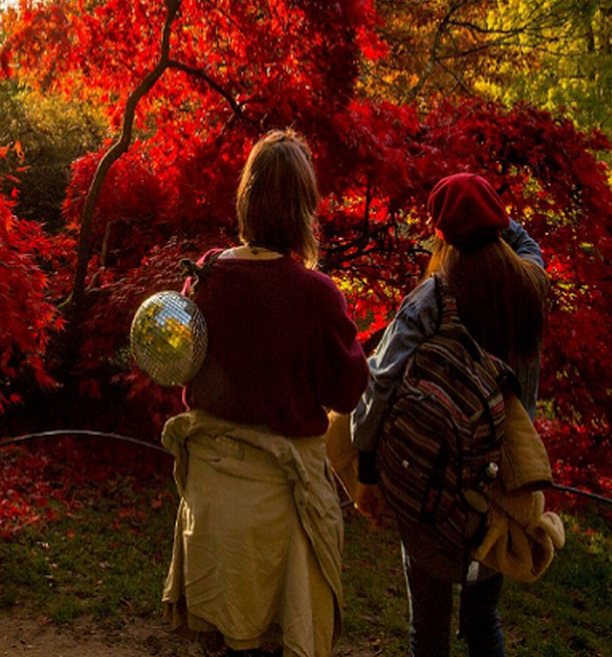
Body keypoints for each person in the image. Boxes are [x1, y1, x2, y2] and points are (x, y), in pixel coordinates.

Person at [161, 129, 370, 657]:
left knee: (221, 644)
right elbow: (348, 392)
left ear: (247, 196)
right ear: (304, 207)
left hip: (211, 502)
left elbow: (184, 370)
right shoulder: (316, 295)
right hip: (280, 513)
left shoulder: (207, 275)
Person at [350, 172, 549, 657]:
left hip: (430, 477)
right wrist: (488, 214)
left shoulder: (433, 298)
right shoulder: (528, 288)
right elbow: (522, 239)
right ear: (498, 226)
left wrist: (367, 466)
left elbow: (381, 380)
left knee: (429, 628)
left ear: (440, 234)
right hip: (497, 480)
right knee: (484, 620)